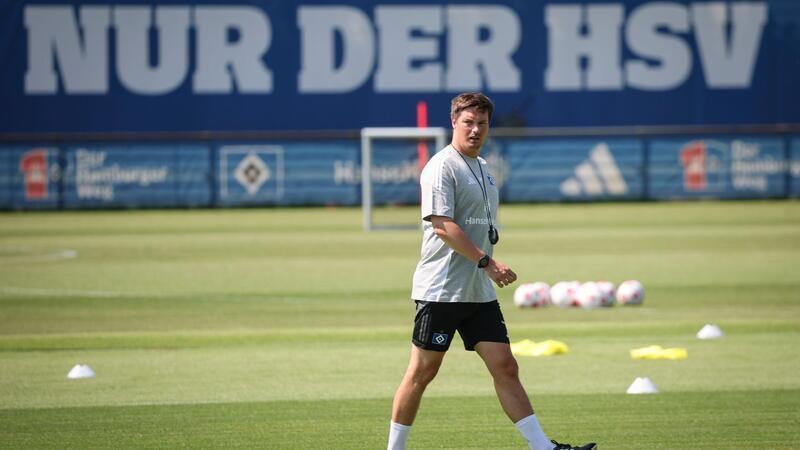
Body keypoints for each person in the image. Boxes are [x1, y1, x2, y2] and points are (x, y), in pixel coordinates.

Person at [387, 93, 597, 450]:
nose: (475, 130)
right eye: (468, 122)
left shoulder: (483, 167)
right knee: (422, 373)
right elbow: (442, 226)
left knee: (506, 366)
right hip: (442, 290)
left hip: (477, 292)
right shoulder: (441, 167)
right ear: (454, 122)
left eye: (482, 123)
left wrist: (484, 267)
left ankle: (542, 447)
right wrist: (487, 262)